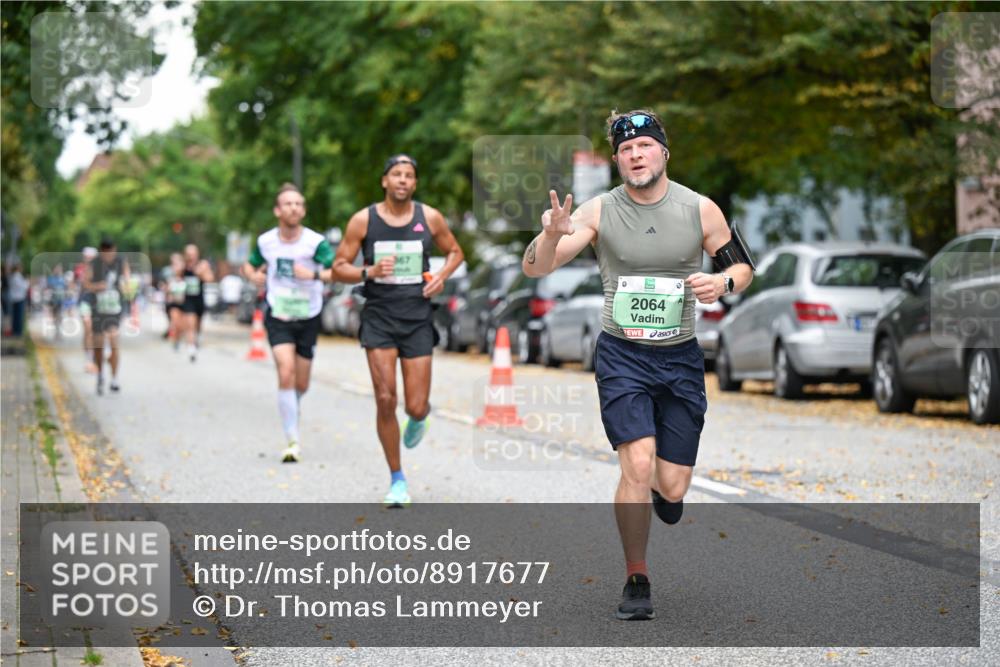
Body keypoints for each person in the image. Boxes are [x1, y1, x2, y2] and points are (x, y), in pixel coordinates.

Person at [522, 110, 754, 620]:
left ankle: (665, 493)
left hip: (680, 358)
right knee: (638, 461)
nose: (636, 155)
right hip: (622, 354)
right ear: (617, 159)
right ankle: (636, 576)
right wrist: (551, 235)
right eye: (626, 150)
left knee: (670, 485)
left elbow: (741, 264)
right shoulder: (599, 211)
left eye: (645, 146)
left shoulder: (699, 209)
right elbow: (539, 266)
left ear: (663, 153)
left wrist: (724, 284)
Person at [333, 154, 464, 507]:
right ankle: (397, 479)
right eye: (396, 174)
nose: (403, 180)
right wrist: (368, 272)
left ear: (414, 184)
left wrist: (440, 277)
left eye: (409, 175)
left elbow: (455, 251)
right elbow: (338, 268)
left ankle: (419, 418)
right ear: (385, 181)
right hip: (379, 315)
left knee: (416, 405)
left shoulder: (429, 217)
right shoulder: (364, 220)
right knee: (386, 397)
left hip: (417, 315)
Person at [242, 183, 334, 463]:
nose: (294, 208)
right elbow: (249, 264)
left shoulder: (315, 243)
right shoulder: (266, 241)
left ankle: (293, 406)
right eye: (288, 203)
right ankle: (292, 438)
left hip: (308, 313)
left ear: (303, 210)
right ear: (278, 210)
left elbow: (336, 270)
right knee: (285, 370)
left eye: (299, 204)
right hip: (278, 313)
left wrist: (314, 276)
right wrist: (253, 276)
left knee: (301, 382)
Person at [84, 239, 131, 395]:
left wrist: (127, 287)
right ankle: (100, 374)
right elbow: (86, 283)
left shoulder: (121, 262)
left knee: (114, 341)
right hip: (98, 309)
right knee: (99, 345)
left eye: (111, 251)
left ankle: (114, 378)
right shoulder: (94, 264)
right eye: (105, 251)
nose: (108, 255)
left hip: (115, 309)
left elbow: (127, 280)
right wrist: (97, 286)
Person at [181, 244, 215, 362]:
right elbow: (176, 278)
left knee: (198, 325)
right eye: (188, 254)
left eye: (193, 254)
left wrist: (200, 273)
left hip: (199, 299)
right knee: (190, 324)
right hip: (188, 300)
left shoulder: (202, 265)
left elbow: (210, 279)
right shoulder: (183, 266)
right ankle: (191, 349)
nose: (191, 257)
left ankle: (198, 337)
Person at [76, 247, 99, 373]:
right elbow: (76, 285)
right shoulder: (80, 269)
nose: (88, 258)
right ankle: (89, 359)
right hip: (85, 301)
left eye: (91, 257)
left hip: (98, 302)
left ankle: (97, 356)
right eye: (86, 256)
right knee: (88, 329)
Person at [164, 253, 187, 350]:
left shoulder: (187, 276)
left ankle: (178, 338)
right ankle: (175, 339)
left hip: (185, 304)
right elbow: (167, 290)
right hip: (174, 304)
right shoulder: (170, 277)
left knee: (182, 326)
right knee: (175, 323)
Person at [7, 263, 29, 338]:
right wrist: (27, 281)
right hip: (19, 299)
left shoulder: (14, 276)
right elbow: (24, 287)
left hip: (15, 298)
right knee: (18, 317)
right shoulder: (17, 277)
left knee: (15, 316)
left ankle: (15, 331)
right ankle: (18, 332)